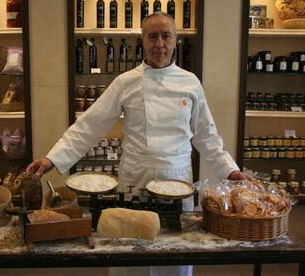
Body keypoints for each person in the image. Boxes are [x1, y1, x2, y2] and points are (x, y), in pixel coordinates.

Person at [27, 12, 250, 275]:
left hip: (176, 181)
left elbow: (206, 135)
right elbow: (90, 124)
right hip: (135, 180)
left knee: (174, 257)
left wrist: (230, 169)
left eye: (166, 36)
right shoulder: (126, 82)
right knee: (131, 258)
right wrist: (52, 159)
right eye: (152, 36)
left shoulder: (190, 82)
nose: (159, 43)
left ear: (175, 40)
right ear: (142, 41)